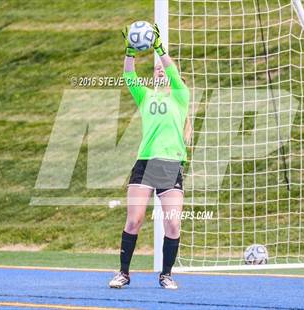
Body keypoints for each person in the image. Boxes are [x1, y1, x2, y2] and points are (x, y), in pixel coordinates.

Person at [108, 24, 191, 290]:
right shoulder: (145, 96)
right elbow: (129, 76)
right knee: (134, 219)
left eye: (163, 69)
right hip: (145, 162)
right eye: (155, 68)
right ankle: (123, 273)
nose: (159, 70)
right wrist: (130, 51)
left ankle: (166, 275)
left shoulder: (180, 96)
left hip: (169, 164)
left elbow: (172, 71)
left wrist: (158, 47)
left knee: (173, 223)